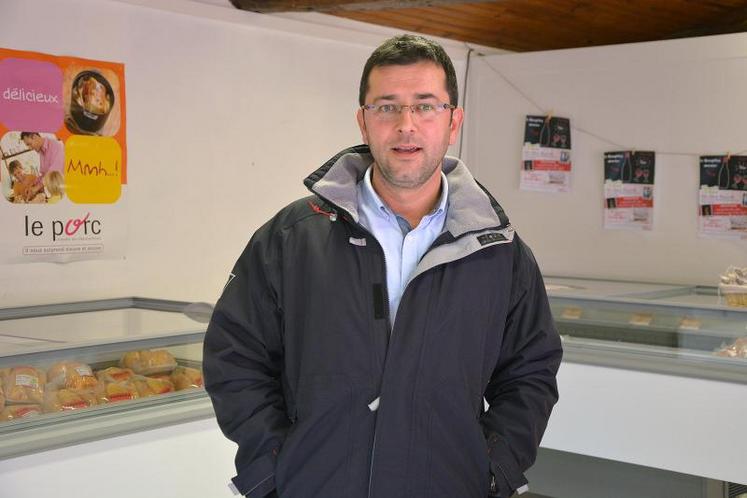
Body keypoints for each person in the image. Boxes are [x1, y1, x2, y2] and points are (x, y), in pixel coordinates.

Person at [204, 34, 562, 498]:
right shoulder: (293, 237)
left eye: (426, 106)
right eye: (387, 107)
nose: (406, 125)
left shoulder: (498, 251)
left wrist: (495, 467)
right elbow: (236, 356)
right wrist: (272, 470)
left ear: (454, 121)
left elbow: (530, 372)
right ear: (363, 120)